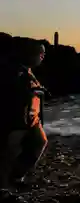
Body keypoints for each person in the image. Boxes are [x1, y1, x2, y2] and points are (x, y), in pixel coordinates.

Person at [0, 39, 48, 188]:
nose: (42, 56)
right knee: (9, 154)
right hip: (16, 120)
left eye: (43, 54)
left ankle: (17, 176)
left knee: (40, 142)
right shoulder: (13, 71)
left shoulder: (29, 71)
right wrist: (34, 91)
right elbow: (12, 92)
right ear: (29, 54)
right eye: (40, 53)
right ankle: (5, 185)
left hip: (32, 119)